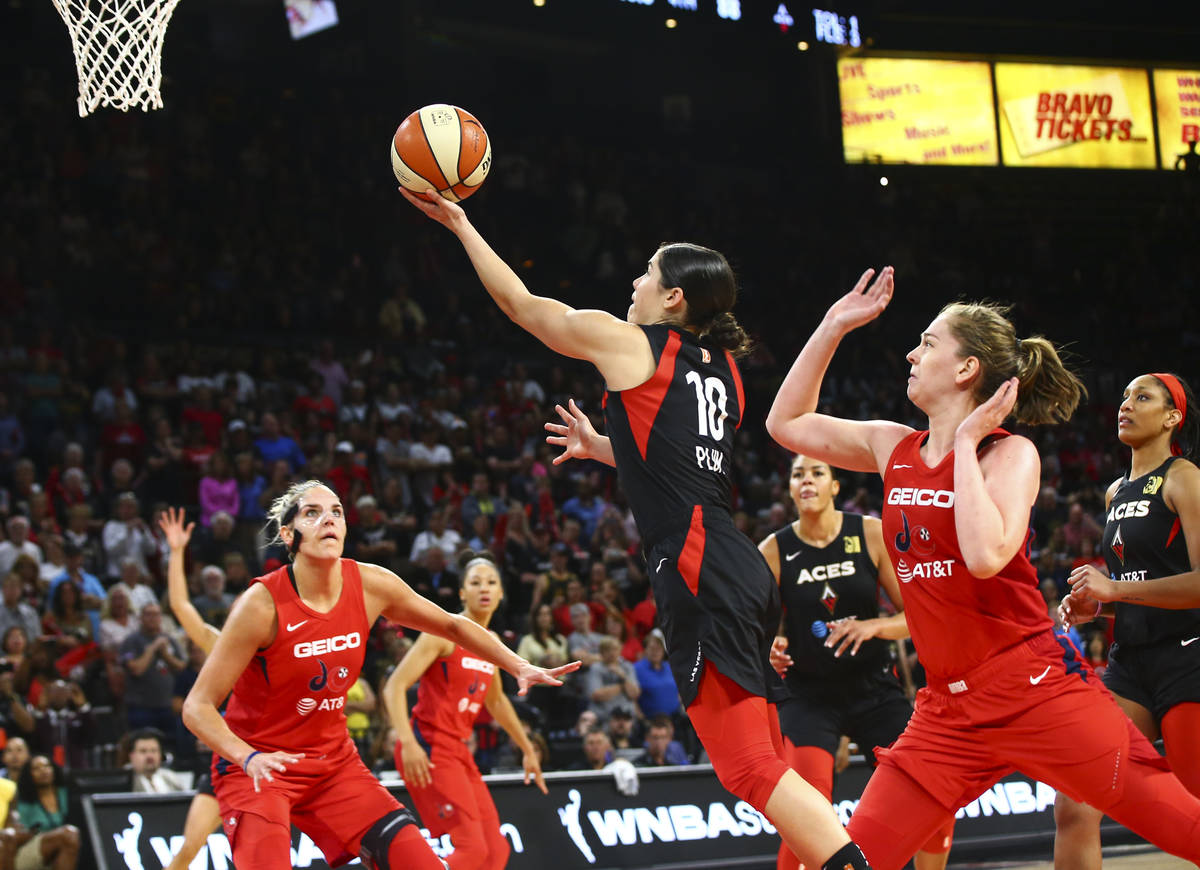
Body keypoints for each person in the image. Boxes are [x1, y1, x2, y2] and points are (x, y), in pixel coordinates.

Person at [403, 187, 872, 870]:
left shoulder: (635, 346)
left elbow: (526, 309)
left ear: (674, 297)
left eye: (647, 273)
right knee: (766, 763)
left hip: (697, 564)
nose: (635, 282)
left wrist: (463, 224)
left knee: (747, 770)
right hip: (733, 556)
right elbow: (678, 460)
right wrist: (605, 446)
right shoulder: (729, 374)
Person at [764, 270, 1200, 869]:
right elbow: (784, 424)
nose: (912, 354)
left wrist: (966, 443)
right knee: (854, 858)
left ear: (967, 369)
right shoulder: (891, 445)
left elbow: (985, 554)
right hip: (945, 713)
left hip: (1036, 692)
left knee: (1184, 826)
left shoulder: (1009, 453)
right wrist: (834, 325)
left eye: (928, 343)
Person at [181, 481, 577, 869]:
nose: (328, 520)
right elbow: (197, 708)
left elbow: (454, 626)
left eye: (336, 511)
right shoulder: (261, 605)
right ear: (288, 534)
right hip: (259, 767)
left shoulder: (372, 584)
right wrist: (247, 757)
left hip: (332, 765)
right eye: (312, 513)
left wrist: (518, 665)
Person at [762, 454, 952, 870]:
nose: (806, 479)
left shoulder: (869, 534)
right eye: (797, 474)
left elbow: (918, 616)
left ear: (835, 487)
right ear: (791, 489)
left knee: (931, 794)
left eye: (817, 472)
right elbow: (751, 630)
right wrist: (768, 648)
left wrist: (874, 628)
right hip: (807, 695)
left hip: (874, 688)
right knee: (804, 809)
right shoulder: (773, 551)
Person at [1055, 373, 1200, 869]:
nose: (1126, 404)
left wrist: (1115, 588)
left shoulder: (1185, 478)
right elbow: (1143, 587)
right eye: (1123, 396)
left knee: (1194, 809)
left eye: (1143, 397)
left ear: (1172, 417)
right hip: (1129, 664)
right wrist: (1098, 606)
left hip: (1188, 658)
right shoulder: (1116, 490)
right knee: (1076, 799)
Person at [384, 552, 549, 870]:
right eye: (475, 583)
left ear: (501, 593)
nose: (484, 588)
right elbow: (394, 686)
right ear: (461, 592)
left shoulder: (493, 642)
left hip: (457, 751)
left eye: (491, 582)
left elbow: (497, 701)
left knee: (496, 851)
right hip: (428, 745)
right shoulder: (441, 632)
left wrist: (528, 749)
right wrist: (408, 742)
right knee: (472, 850)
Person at [127, 727, 186, 792]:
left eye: (154, 751)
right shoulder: (126, 781)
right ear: (132, 756)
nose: (149, 756)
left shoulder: (171, 778)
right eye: (143, 751)